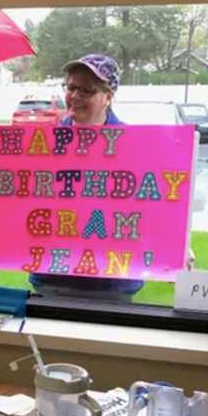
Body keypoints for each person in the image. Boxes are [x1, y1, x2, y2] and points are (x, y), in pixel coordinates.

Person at [29, 54, 144, 297]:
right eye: (71, 87)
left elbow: (155, 207)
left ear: (108, 97)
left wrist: (178, 244)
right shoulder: (42, 143)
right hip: (53, 276)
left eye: (87, 91)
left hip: (112, 282)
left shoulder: (135, 145)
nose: (75, 96)